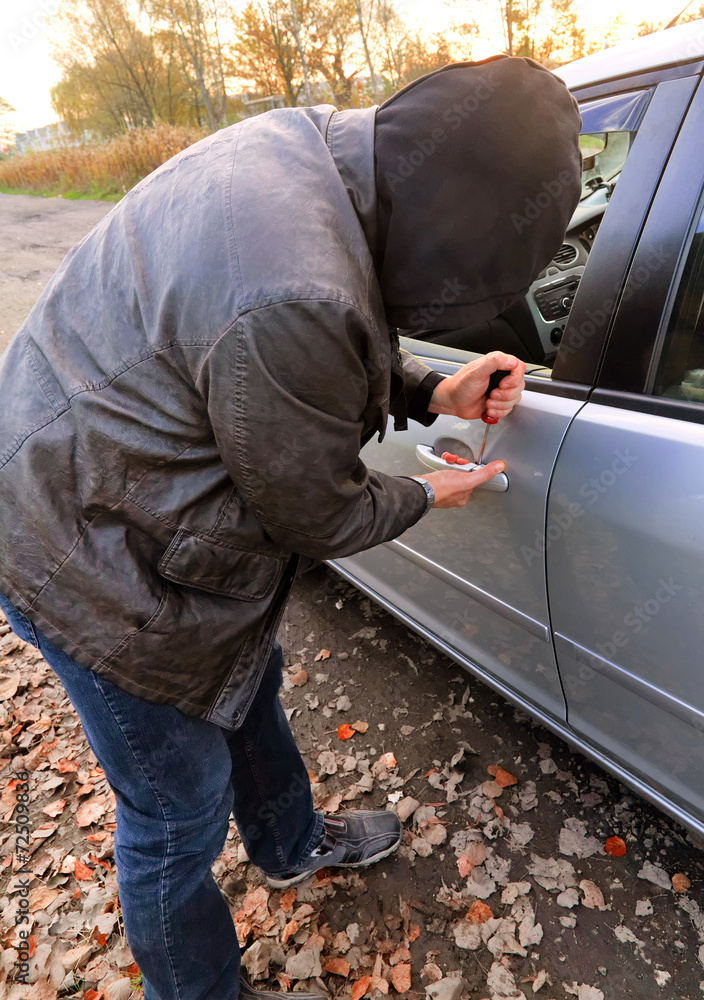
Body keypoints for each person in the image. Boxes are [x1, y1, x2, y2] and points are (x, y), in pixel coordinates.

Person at [0, 55, 581, 1000]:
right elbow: (316, 511)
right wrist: (433, 493)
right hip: (82, 552)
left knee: (244, 677)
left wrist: (433, 389)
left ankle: (288, 842)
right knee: (173, 812)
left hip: (113, 479)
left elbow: (318, 338)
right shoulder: (297, 288)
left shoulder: (326, 157)